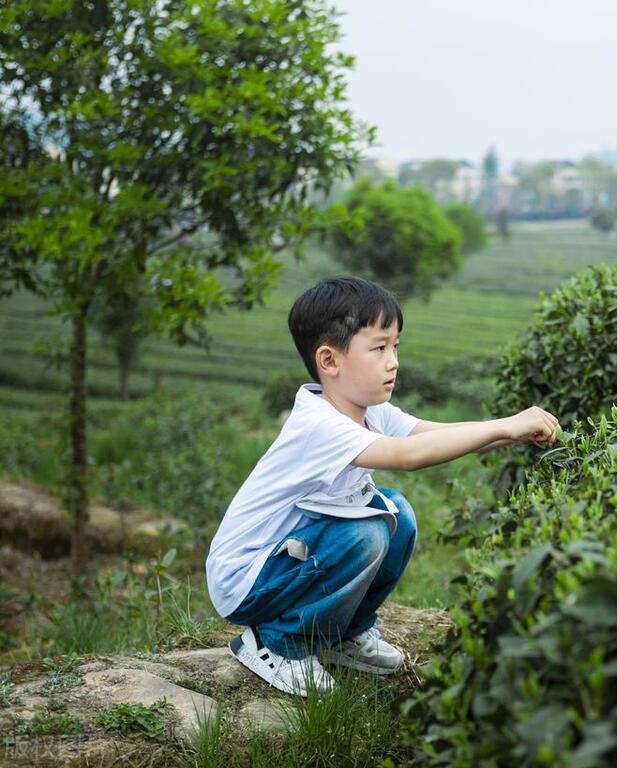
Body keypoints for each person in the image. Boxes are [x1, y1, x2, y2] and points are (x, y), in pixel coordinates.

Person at [205, 276, 559, 697]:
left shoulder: (370, 410)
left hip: (288, 559)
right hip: (247, 579)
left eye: (396, 347)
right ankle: (278, 643)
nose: (393, 361)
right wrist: (507, 424)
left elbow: (438, 434)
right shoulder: (318, 424)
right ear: (329, 361)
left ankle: (343, 635)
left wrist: (511, 431)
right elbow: (409, 457)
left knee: (398, 515)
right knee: (367, 530)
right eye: (379, 348)